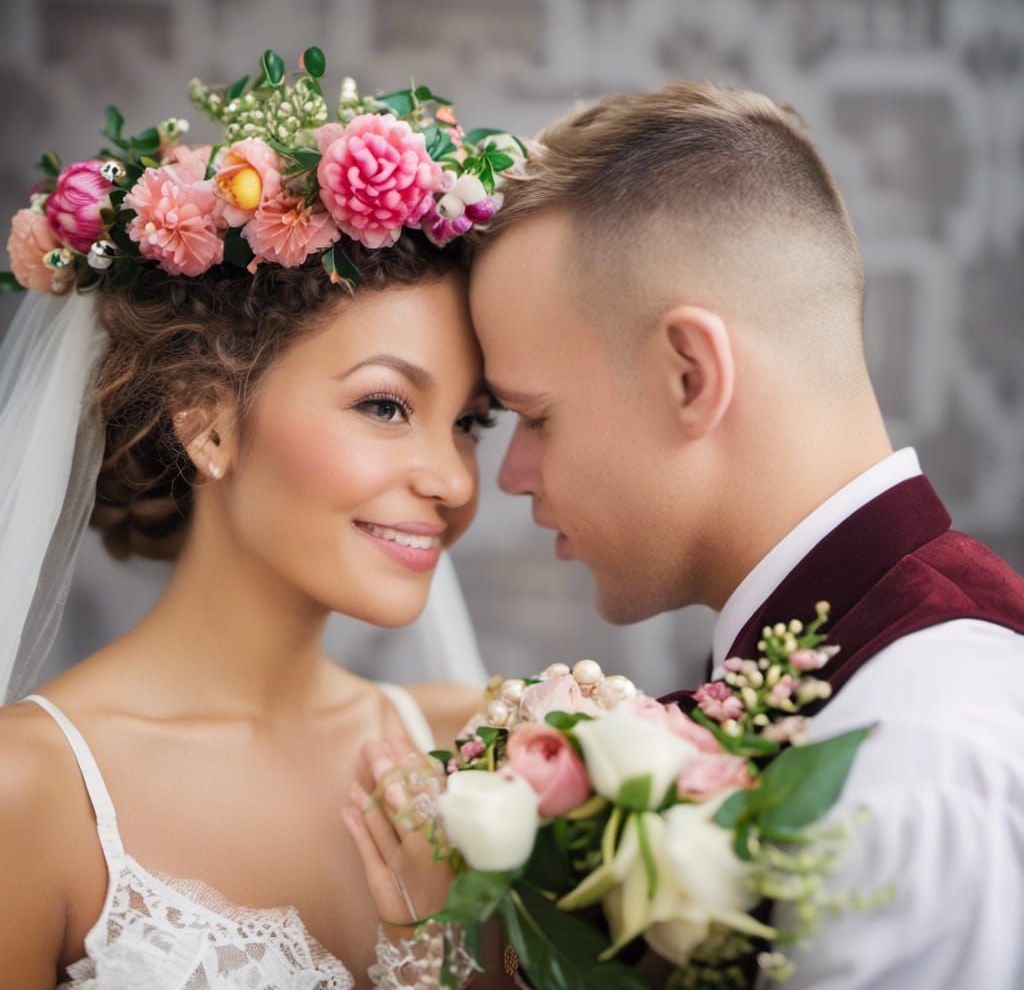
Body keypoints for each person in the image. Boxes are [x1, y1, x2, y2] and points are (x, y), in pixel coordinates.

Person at [467, 82, 1024, 989]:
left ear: (689, 375)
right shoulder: (897, 702)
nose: (510, 475)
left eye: (536, 416)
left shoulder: (911, 775)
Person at [0, 57, 515, 990]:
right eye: (386, 405)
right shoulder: (30, 792)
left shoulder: (479, 750)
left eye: (470, 423)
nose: (451, 480)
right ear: (207, 419)